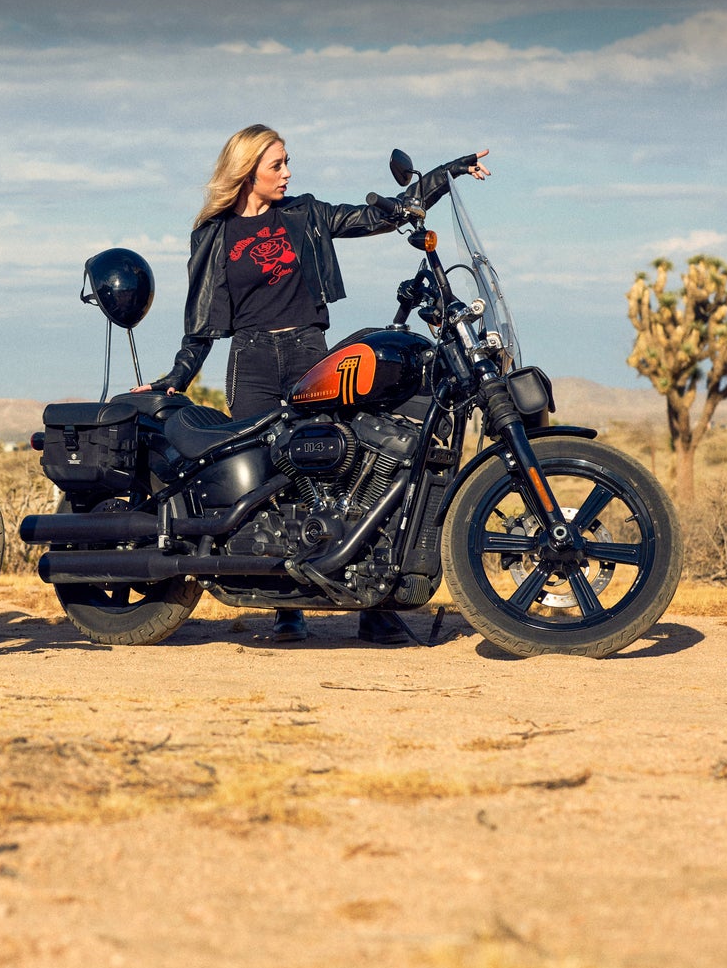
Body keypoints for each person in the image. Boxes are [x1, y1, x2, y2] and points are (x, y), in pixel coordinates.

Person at [147, 124, 488, 642]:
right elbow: (201, 321)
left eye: (286, 162)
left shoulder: (305, 214)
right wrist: (177, 377)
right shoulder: (213, 235)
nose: (287, 173)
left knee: (342, 476)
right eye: (277, 165)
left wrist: (450, 172)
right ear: (247, 171)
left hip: (310, 355)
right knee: (265, 486)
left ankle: (375, 606)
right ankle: (286, 608)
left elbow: (382, 215)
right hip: (251, 362)